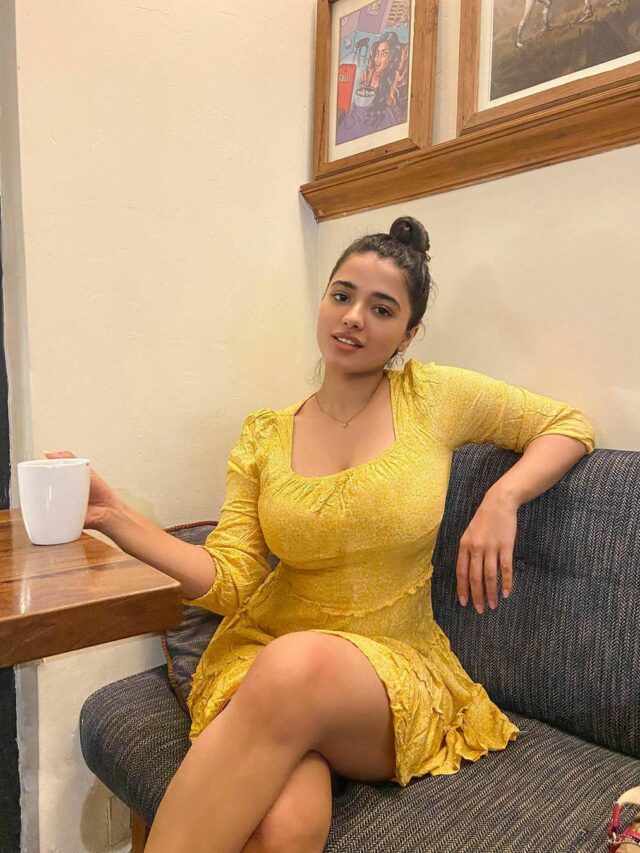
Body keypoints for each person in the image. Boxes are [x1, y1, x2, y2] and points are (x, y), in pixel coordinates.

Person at [48, 217, 596, 853]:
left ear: (408, 334)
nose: (354, 318)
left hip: (389, 667)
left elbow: (566, 424)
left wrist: (503, 497)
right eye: (342, 295)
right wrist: (115, 516)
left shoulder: (433, 396)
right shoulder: (265, 434)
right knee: (285, 828)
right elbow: (230, 582)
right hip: (265, 653)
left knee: (296, 665)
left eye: (381, 309)